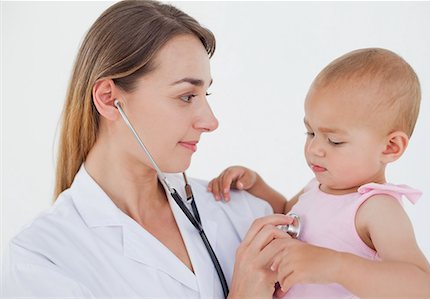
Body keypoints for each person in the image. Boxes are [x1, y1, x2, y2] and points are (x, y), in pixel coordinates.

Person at [5, 1, 296, 297]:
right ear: (108, 98)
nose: (211, 121)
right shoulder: (43, 258)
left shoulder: (239, 211)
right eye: (186, 96)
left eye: (204, 94)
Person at [208, 48, 430, 298]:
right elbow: (286, 212)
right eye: (311, 133)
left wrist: (335, 265)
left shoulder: (376, 207)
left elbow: (422, 288)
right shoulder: (317, 187)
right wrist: (256, 185)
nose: (315, 148)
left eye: (334, 141)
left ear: (390, 147)